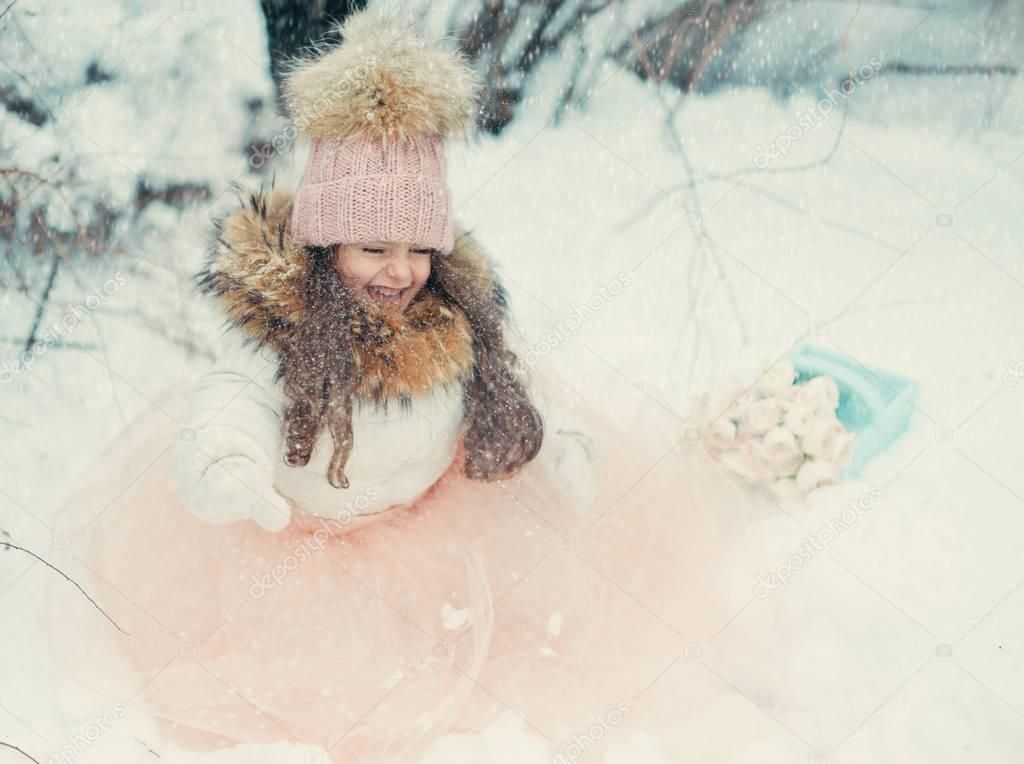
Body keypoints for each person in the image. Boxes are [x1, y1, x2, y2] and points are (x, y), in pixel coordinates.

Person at [47, 9, 766, 763]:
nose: (399, 271)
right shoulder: (285, 332)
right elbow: (235, 400)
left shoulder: (452, 322)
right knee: (315, 693)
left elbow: (512, 391)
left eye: (419, 249)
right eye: (373, 248)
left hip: (431, 533)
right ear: (326, 247)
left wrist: (557, 445)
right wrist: (225, 462)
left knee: (498, 656)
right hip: (295, 556)